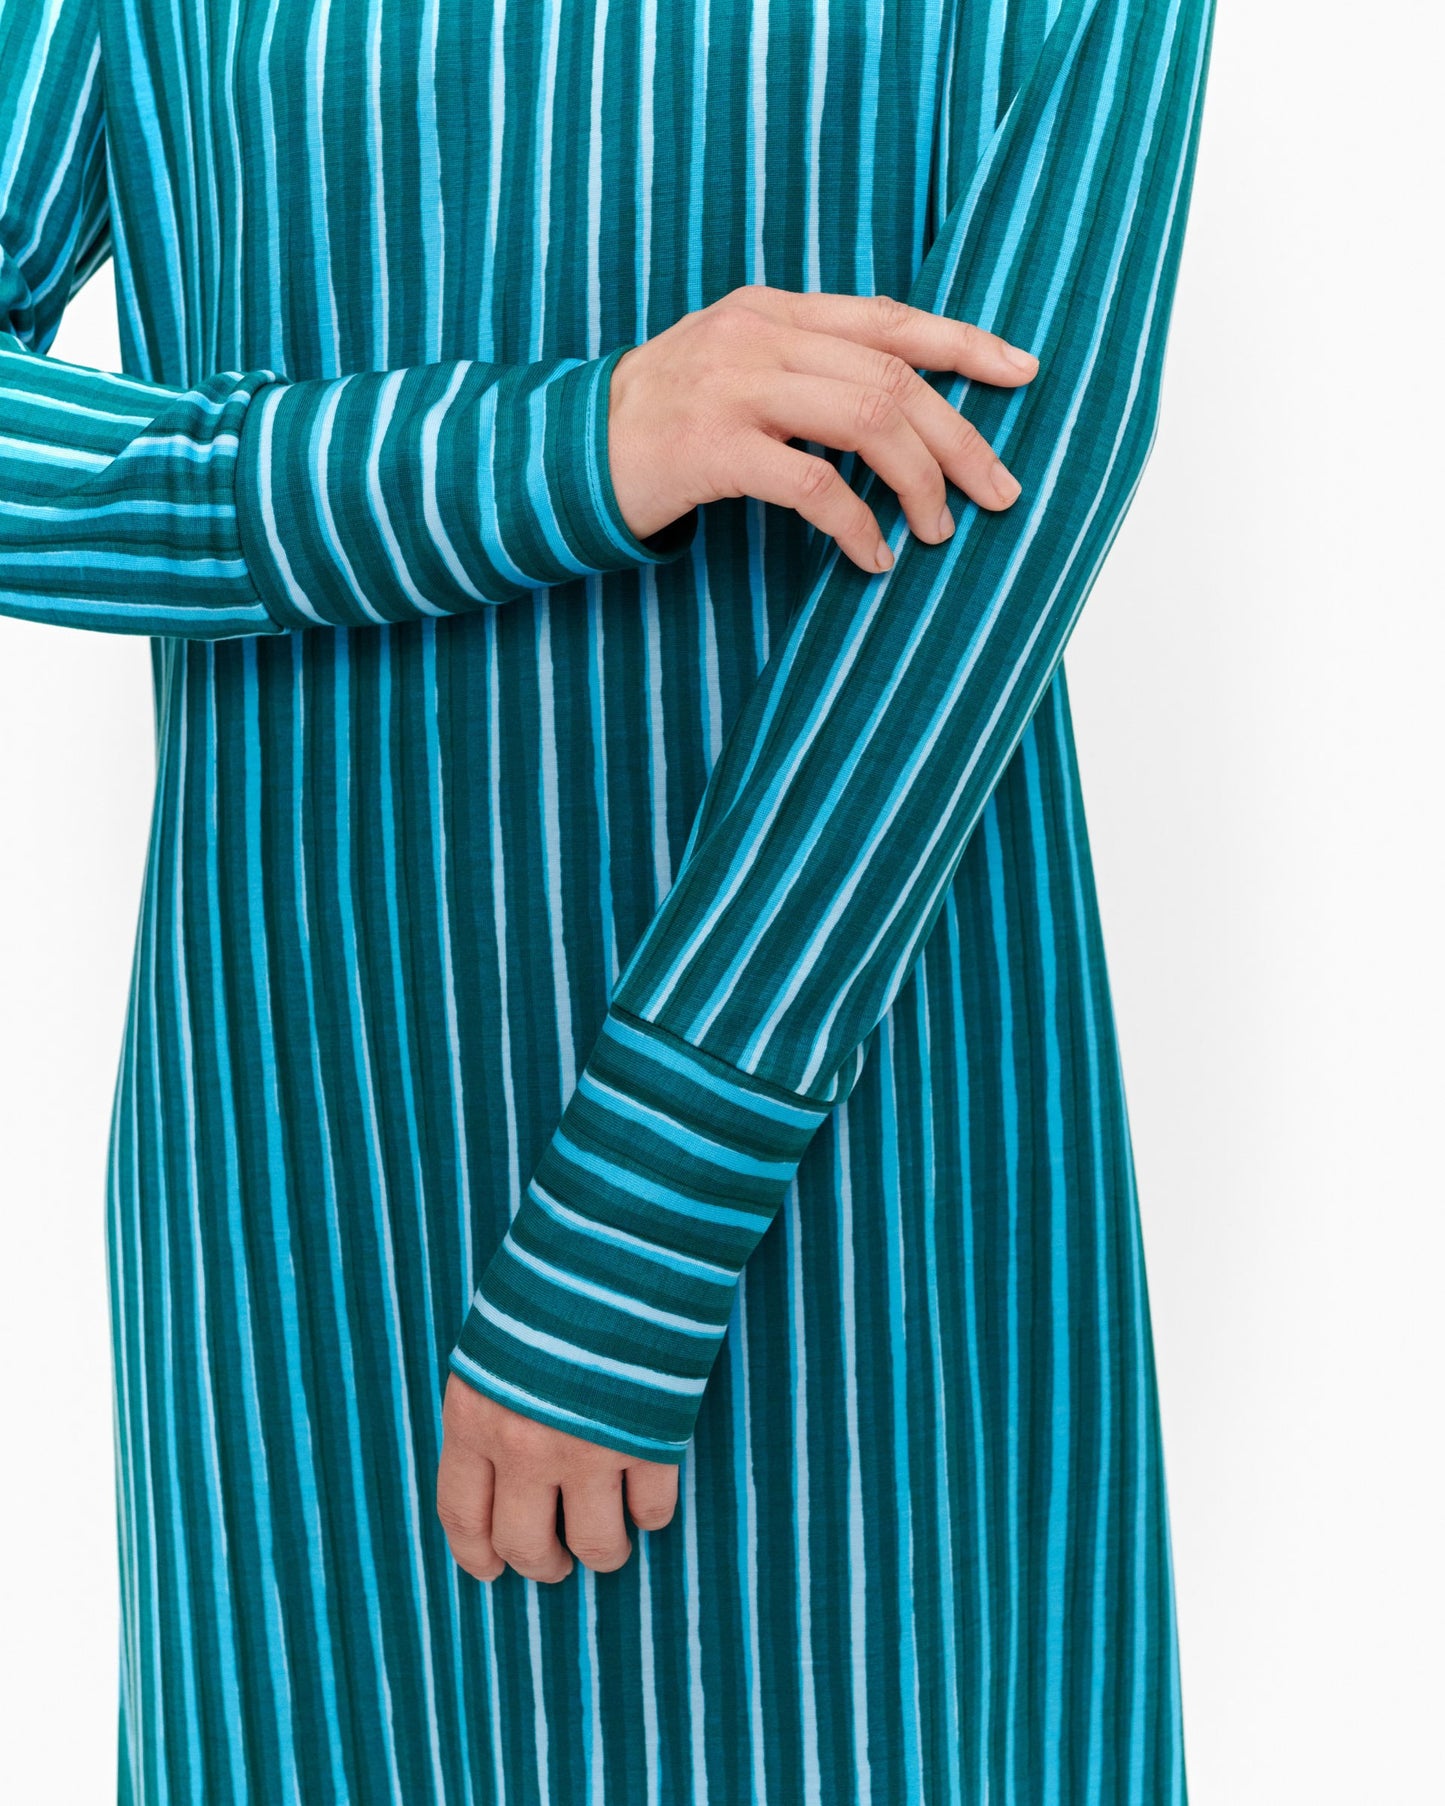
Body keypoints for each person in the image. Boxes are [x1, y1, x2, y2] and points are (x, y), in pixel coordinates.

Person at [0, 0, 1215, 1797]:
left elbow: (1017, 467)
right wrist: (556, 450)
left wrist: (651, 1192)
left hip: (842, 1163)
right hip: (311, 1160)